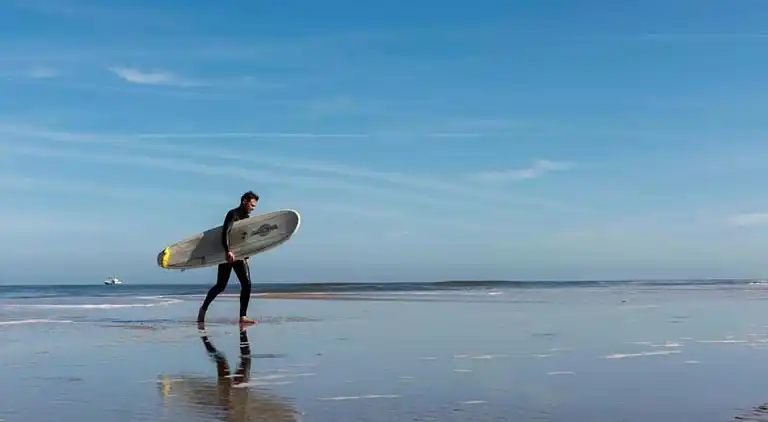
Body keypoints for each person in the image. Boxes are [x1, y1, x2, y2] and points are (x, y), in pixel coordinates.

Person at [197, 190, 259, 326]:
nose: (253, 208)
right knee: (221, 286)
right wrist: (228, 251)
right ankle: (203, 308)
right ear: (244, 201)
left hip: (239, 255)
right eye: (252, 205)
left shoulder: (247, 219)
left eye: (254, 206)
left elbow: (244, 238)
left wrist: (246, 254)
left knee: (247, 284)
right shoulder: (233, 214)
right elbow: (225, 232)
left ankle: (243, 316)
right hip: (228, 255)